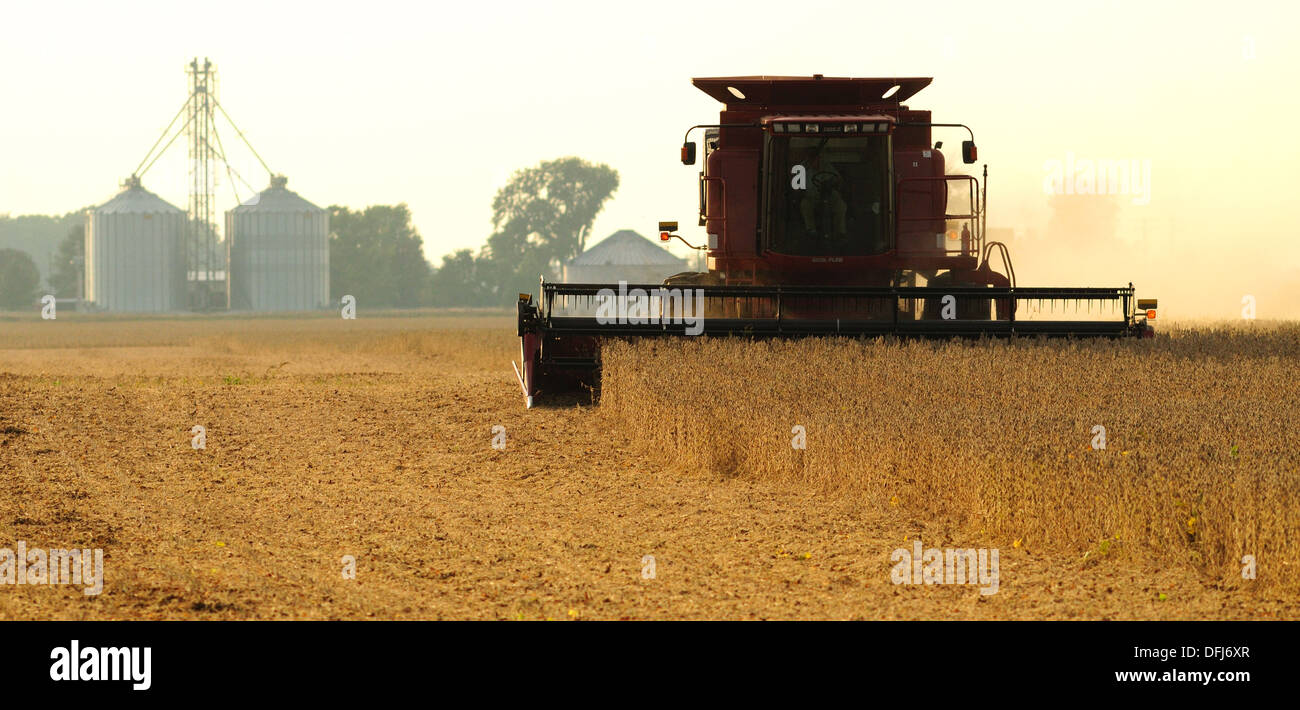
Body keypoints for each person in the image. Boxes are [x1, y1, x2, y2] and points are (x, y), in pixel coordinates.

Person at [794, 141, 848, 238]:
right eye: (810, 157)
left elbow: (838, 179)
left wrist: (833, 184)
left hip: (829, 194)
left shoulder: (826, 166)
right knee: (805, 204)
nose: (812, 160)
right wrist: (800, 193)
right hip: (812, 196)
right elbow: (797, 187)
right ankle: (811, 230)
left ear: (818, 157)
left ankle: (839, 232)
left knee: (841, 205)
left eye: (815, 157)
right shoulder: (802, 169)